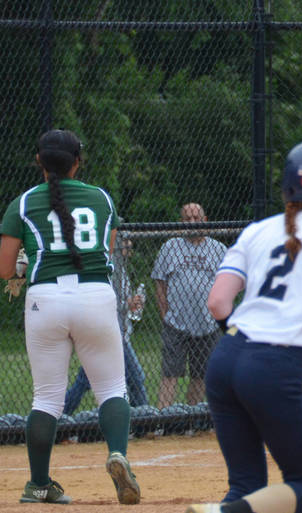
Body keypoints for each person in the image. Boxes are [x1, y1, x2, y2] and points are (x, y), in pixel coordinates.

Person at [185, 138, 302, 513]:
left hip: (226, 357)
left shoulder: (258, 231)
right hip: (273, 363)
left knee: (247, 486)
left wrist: (238, 344)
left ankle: (229, 508)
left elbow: (218, 301)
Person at [0, 129, 140, 504]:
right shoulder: (101, 199)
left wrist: (22, 267)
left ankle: (40, 485)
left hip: (45, 298)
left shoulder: (23, 203)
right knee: (112, 388)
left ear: (39, 162)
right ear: (78, 161)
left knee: (46, 399)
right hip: (94, 294)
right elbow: (105, 253)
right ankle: (118, 454)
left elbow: (4, 267)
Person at [151, 203, 227, 409]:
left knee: (200, 375)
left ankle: (190, 420)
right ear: (181, 222)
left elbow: (228, 284)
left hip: (208, 324)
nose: (192, 223)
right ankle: (162, 421)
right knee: (170, 374)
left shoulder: (218, 249)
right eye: (187, 219)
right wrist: (165, 314)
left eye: (196, 218)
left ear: (205, 220)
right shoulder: (170, 247)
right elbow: (160, 283)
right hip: (175, 323)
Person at [63, 236, 148, 414]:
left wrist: (130, 303)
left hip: (113, 332)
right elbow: (106, 301)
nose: (129, 244)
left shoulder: (120, 268)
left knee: (85, 381)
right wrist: (128, 304)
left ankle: (62, 416)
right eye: (124, 240)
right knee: (136, 378)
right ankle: (144, 420)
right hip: (111, 333)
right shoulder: (108, 268)